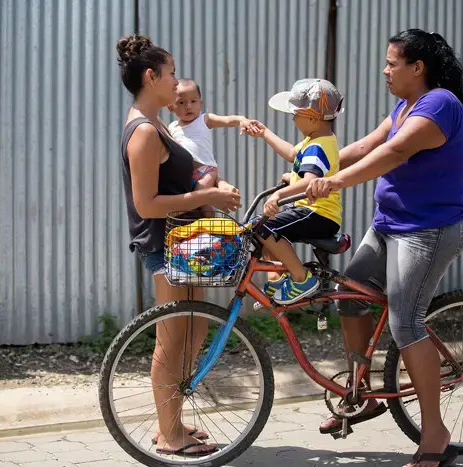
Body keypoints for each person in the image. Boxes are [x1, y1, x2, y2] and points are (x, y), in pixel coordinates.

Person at [306, 29, 463, 467]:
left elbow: (395, 152)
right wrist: (308, 168)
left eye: (392, 62)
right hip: (387, 226)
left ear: (417, 68)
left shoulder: (439, 104)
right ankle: (362, 394)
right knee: (351, 296)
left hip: (427, 231)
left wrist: (334, 182)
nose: (385, 70)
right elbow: (364, 146)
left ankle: (434, 434)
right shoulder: (404, 105)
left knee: (406, 323)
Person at [117, 34, 242, 457]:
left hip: (186, 244)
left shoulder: (155, 125)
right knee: (172, 339)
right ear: (151, 77)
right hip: (165, 245)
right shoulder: (144, 132)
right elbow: (146, 203)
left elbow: (180, 180)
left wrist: (213, 187)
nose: (176, 83)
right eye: (170, 74)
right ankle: (168, 435)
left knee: (196, 327)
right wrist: (204, 197)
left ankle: (171, 420)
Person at [245, 79, 344, 305]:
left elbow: (310, 179)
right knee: (264, 228)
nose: (293, 118)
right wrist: (265, 133)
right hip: (312, 211)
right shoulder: (316, 139)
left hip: (319, 213)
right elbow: (293, 154)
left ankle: (301, 279)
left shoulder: (318, 146)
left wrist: (279, 195)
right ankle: (281, 278)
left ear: (312, 117)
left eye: (296, 114)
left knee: (265, 227)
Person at [168, 78, 252, 216]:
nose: (188, 106)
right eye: (182, 102)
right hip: (186, 174)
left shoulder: (204, 120)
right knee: (192, 203)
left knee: (202, 200)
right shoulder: (172, 127)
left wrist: (241, 120)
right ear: (171, 107)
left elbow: (227, 120)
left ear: (201, 103)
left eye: (193, 101)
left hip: (205, 170)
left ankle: (209, 229)